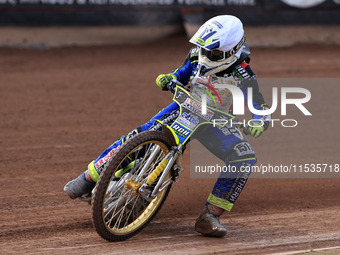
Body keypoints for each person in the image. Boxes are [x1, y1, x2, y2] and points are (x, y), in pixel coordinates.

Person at [64, 15, 271, 237]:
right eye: (204, 48)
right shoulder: (196, 55)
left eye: (213, 52)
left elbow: (258, 104)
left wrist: (259, 121)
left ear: (231, 50)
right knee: (141, 135)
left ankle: (210, 215)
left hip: (215, 121)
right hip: (182, 108)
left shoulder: (243, 73)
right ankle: (89, 178)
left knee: (244, 157)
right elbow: (180, 74)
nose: (206, 55)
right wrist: (169, 78)